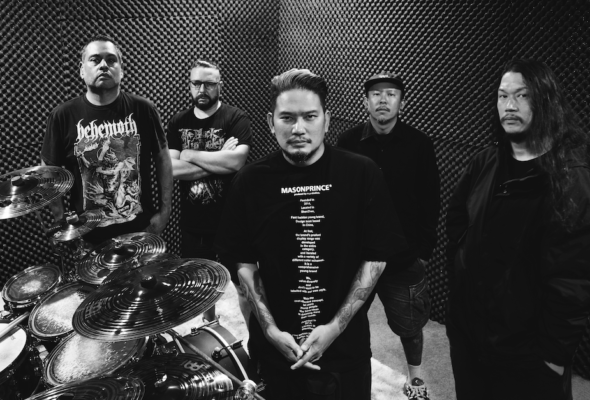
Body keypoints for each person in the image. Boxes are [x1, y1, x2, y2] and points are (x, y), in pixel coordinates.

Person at [215, 69, 407, 399]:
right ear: (271, 122)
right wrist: (270, 330)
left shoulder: (362, 174)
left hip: (345, 354)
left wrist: (335, 327)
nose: (298, 128)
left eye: (310, 116)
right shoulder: (249, 182)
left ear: (327, 120)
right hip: (276, 355)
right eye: (287, 118)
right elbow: (242, 262)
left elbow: (376, 257)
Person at [445, 58, 590, 400]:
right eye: (503, 96)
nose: (510, 105)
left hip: (527, 357)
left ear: (546, 101)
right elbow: (457, 221)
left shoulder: (573, 180)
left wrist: (553, 358)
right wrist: (459, 294)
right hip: (471, 339)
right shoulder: (485, 162)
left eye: (522, 95)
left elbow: (574, 281)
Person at [338, 72, 440, 400]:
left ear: (402, 103)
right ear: (365, 101)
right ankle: (355, 382)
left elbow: (430, 201)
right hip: (359, 257)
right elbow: (339, 197)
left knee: (410, 327)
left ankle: (416, 380)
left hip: (403, 258)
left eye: (391, 94)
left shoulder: (420, 144)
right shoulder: (347, 142)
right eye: (376, 94)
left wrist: (422, 253)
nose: (383, 100)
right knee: (352, 324)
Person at [41, 34, 172, 245]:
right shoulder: (62, 116)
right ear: (82, 70)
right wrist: (62, 222)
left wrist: (165, 211)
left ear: (122, 70)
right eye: (95, 60)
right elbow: (49, 172)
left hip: (141, 232)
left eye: (111, 60)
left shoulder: (144, 109)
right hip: (88, 239)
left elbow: (163, 158)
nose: (104, 65)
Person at [167, 60, 252, 322]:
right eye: (196, 83)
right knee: (203, 286)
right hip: (195, 223)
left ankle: (255, 338)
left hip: (232, 221)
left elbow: (236, 162)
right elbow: (171, 169)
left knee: (244, 286)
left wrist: (190, 154)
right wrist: (218, 159)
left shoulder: (236, 118)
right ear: (190, 85)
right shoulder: (178, 121)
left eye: (209, 84)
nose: (202, 89)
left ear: (219, 85)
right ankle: (209, 323)